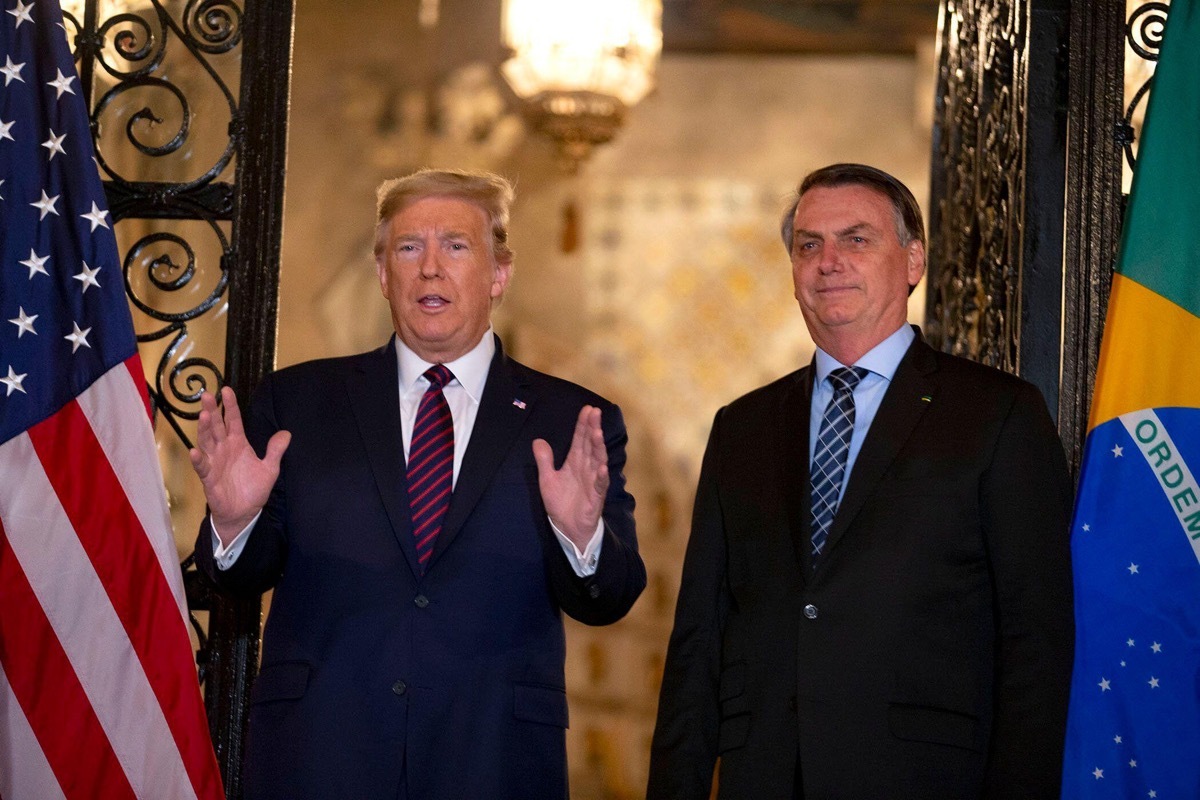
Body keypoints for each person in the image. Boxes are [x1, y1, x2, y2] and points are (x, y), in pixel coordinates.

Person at [190, 169, 645, 800]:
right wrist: (235, 524)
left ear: (499, 274)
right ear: (383, 275)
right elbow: (236, 580)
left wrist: (582, 538)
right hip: (320, 757)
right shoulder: (296, 403)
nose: (430, 268)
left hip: (493, 760)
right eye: (408, 247)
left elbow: (611, 597)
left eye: (456, 246)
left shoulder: (571, 420)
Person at [647, 163, 1074, 799]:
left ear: (913, 261)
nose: (829, 262)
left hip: (926, 778)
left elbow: (1036, 638)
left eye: (857, 239)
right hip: (764, 776)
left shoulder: (998, 414)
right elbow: (698, 638)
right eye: (808, 245)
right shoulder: (743, 426)